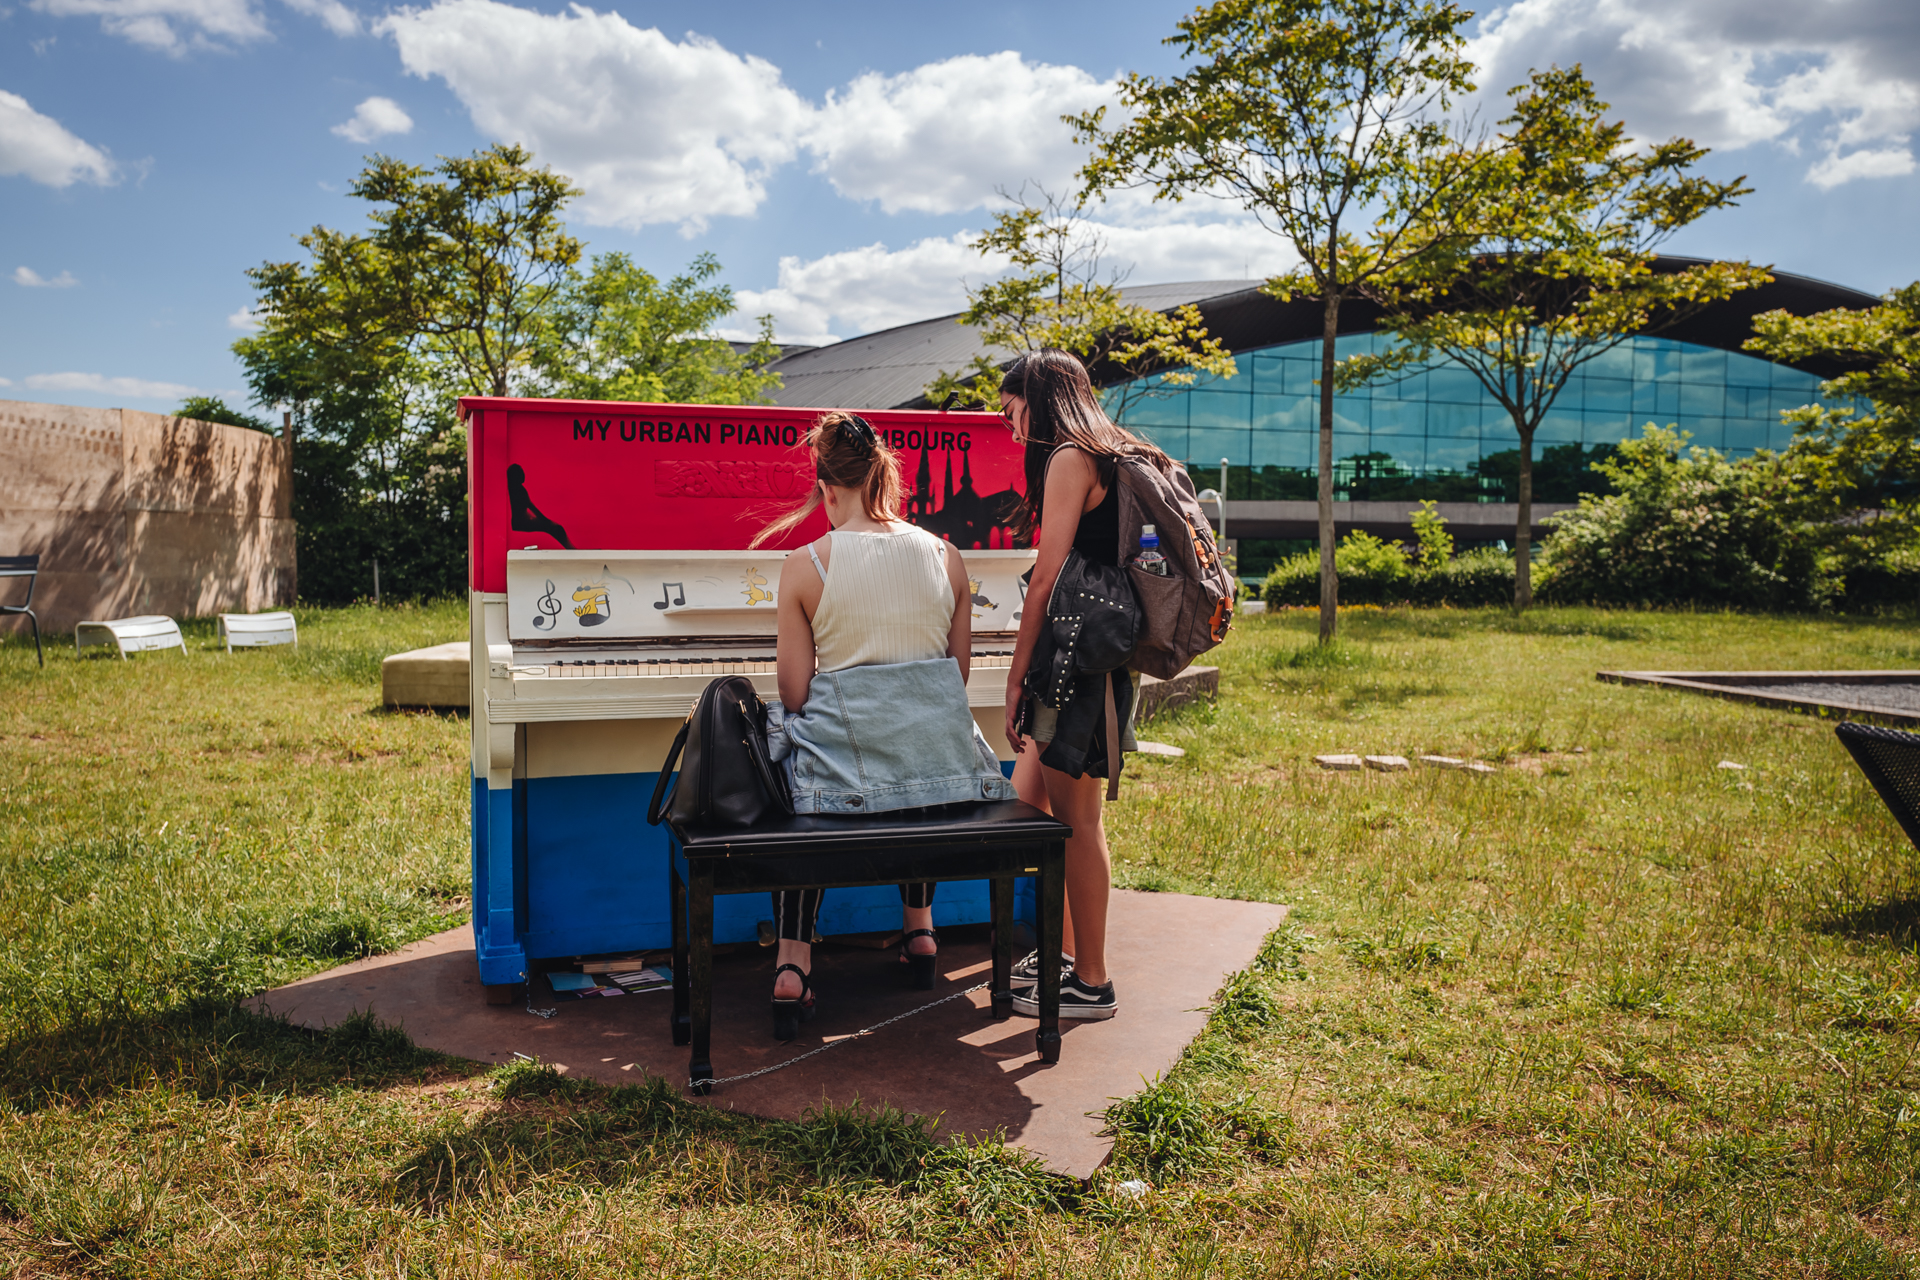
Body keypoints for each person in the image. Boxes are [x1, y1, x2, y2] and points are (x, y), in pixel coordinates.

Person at [752, 411, 980, 1039]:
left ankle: (792, 966)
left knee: (802, 756)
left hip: (846, 787)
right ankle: (921, 930)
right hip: (935, 778)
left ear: (826, 487)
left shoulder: (806, 565)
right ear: (881, 476)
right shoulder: (947, 557)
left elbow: (795, 695)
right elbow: (949, 686)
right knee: (914, 744)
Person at [1001, 349, 1165, 1021]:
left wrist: (1014, 677)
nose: (1006, 422)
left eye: (1009, 408)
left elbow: (1046, 576)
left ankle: (1092, 982)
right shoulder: (1122, 450)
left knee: (1078, 820)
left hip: (1076, 668)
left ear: (1036, 399)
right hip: (1081, 661)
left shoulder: (1072, 457)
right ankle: (1068, 954)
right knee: (1027, 805)